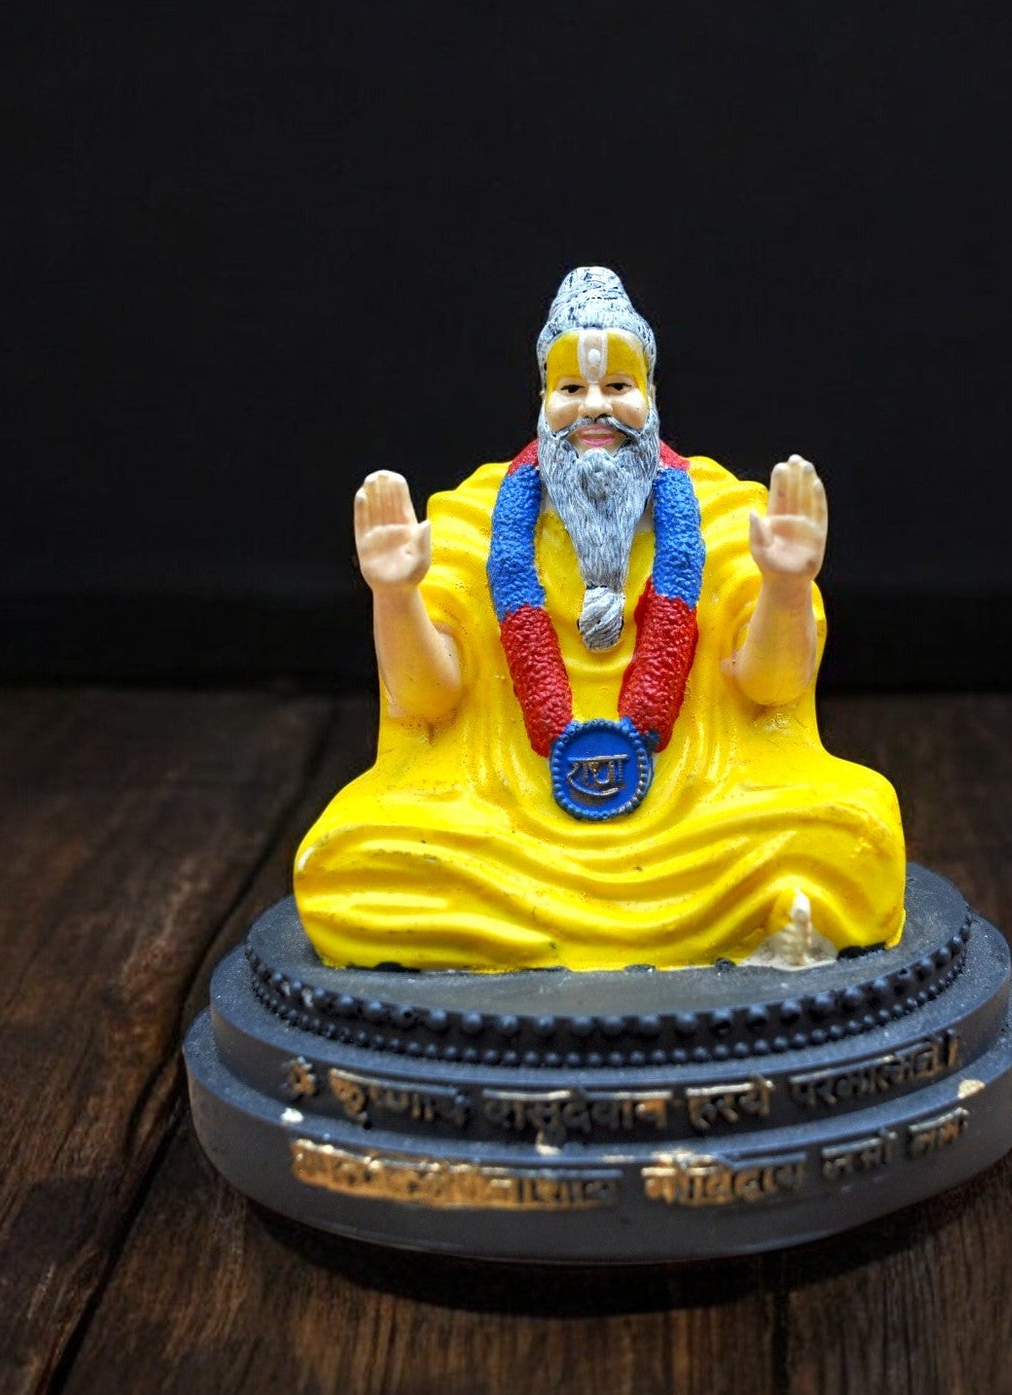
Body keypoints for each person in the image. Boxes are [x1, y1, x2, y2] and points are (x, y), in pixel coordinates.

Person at [294, 266, 906, 972]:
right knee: (349, 851)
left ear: (651, 397)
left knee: (853, 827)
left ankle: (521, 935)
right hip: (503, 815)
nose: (596, 410)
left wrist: (788, 584)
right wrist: (395, 593)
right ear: (541, 400)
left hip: (703, 807)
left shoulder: (721, 513)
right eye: (572, 389)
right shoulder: (476, 518)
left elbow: (769, 689)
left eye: (618, 387)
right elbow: (427, 699)